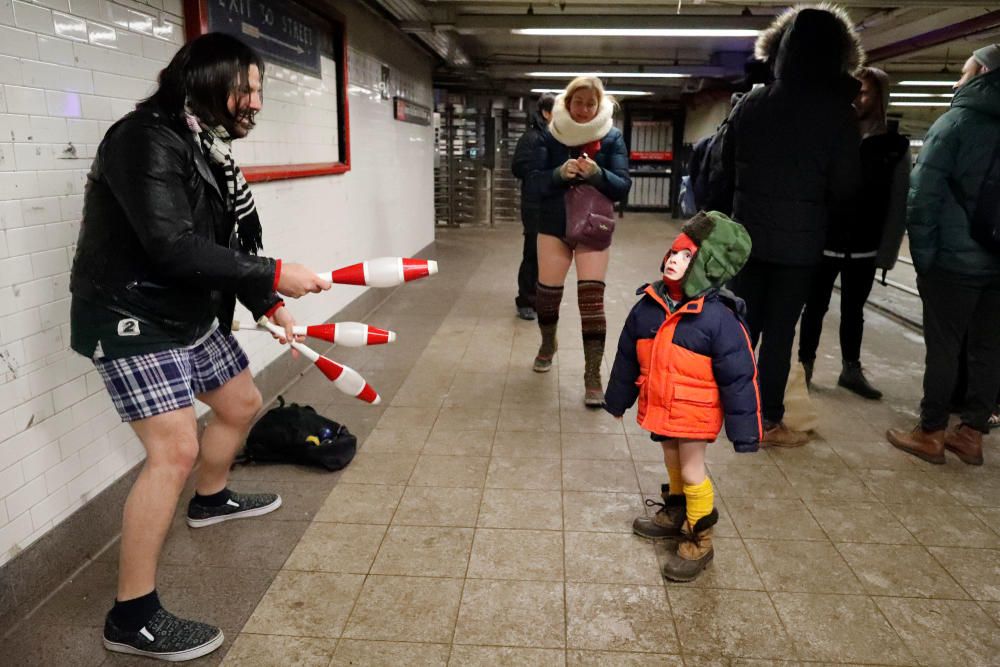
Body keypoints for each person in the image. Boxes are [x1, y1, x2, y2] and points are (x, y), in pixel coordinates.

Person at [69, 34, 330, 661]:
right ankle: (131, 617)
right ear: (208, 82)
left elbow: (227, 241)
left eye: (260, 90)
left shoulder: (202, 144)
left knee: (241, 404)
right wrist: (271, 274)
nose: (255, 103)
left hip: (183, 308)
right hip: (130, 312)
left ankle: (211, 503)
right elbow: (172, 245)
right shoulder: (143, 139)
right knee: (174, 450)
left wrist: (264, 300)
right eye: (248, 88)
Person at [710, 6, 863, 445]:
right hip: (800, 247)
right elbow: (847, 187)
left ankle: (731, 409)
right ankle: (767, 420)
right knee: (780, 336)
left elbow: (725, 172)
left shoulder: (751, 104)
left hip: (747, 238)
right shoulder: (839, 115)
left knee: (743, 327)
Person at [605, 211, 761, 582]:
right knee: (672, 457)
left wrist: (746, 431)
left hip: (695, 412)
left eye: (687, 257)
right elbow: (627, 357)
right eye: (673, 252)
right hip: (662, 405)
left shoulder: (720, 319)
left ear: (708, 266)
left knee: (692, 469)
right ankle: (677, 510)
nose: (674, 260)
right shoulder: (649, 305)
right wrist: (617, 399)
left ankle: (700, 535)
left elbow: (740, 378)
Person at [887, 45, 1000, 466]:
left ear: (983, 72)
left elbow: (923, 197)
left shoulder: (955, 123)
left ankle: (931, 431)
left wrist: (924, 256)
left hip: (954, 262)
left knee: (945, 347)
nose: (957, 80)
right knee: (989, 349)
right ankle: (971, 434)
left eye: (965, 70)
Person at [797, 67, 910, 400]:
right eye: (855, 91)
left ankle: (850, 368)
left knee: (853, 310)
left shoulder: (894, 147)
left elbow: (898, 202)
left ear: (880, 98)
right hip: (825, 241)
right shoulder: (831, 137)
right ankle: (805, 363)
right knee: (814, 307)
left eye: (866, 92)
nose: (858, 98)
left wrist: (887, 252)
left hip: (864, 245)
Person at [523, 76, 631, 406]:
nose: (584, 109)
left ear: (600, 106)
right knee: (547, 296)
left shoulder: (612, 137)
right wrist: (559, 174)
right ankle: (547, 343)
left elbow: (623, 186)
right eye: (578, 102)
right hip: (553, 225)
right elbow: (533, 183)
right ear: (567, 103)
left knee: (591, 301)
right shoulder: (549, 135)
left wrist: (597, 173)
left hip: (593, 227)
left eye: (591, 103)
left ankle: (592, 374)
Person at [511, 93, 555, 320]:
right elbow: (517, 167)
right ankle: (525, 300)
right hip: (535, 204)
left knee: (547, 255)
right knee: (532, 253)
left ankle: (539, 298)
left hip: (550, 205)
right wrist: (541, 171)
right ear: (546, 113)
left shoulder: (555, 137)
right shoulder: (531, 138)